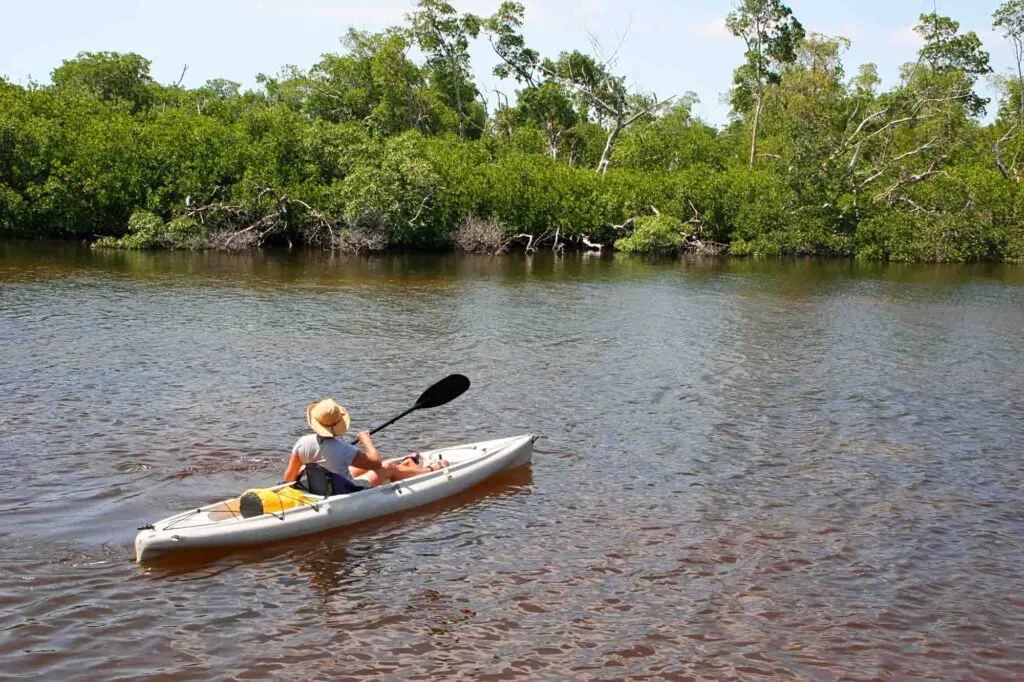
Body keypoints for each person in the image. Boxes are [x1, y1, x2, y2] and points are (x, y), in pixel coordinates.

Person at [282, 398, 447, 494]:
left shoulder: (302, 442)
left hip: (315, 487)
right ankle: (431, 470)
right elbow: (375, 462)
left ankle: (406, 465)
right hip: (343, 490)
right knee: (387, 466)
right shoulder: (343, 449)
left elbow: (289, 478)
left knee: (363, 468)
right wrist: (366, 440)